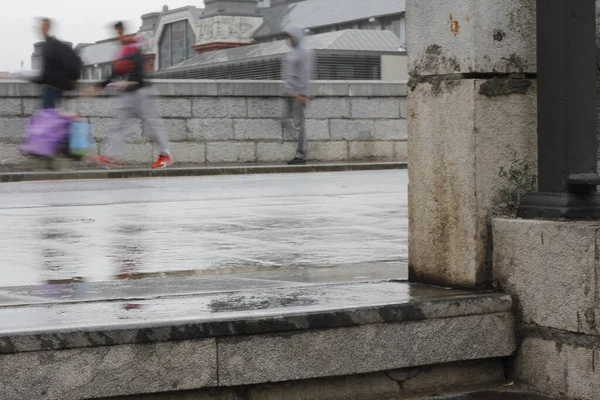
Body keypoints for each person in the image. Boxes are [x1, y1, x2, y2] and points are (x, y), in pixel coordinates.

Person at [84, 22, 173, 169]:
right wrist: (98, 86)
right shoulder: (122, 53)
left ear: (122, 32)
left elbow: (139, 71)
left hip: (141, 93)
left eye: (118, 33)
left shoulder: (133, 49)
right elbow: (114, 73)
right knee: (118, 126)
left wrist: (131, 83)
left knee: (152, 125)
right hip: (127, 95)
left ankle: (165, 155)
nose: (116, 37)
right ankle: (110, 157)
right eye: (115, 34)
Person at [282, 26, 313, 165]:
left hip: (298, 95)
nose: (287, 39)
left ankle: (301, 154)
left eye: (289, 37)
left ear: (294, 37)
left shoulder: (304, 53)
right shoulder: (293, 53)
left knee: (299, 125)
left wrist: (302, 94)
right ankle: (300, 149)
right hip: (290, 94)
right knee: (286, 122)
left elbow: (305, 74)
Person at [32, 18, 72, 109]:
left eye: (44, 26)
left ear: (49, 27)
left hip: (52, 89)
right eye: (41, 27)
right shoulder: (48, 45)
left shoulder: (53, 45)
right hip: (51, 89)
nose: (42, 29)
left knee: (49, 116)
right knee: (52, 116)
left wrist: (38, 79)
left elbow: (51, 70)